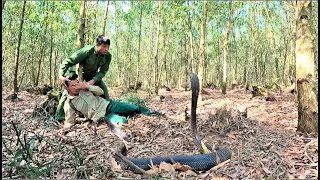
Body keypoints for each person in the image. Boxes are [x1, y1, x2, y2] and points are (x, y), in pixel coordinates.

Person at [62, 74, 163, 130]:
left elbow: (100, 91)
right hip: (102, 116)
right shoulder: (69, 104)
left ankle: (152, 113)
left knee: (134, 107)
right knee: (123, 122)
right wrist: (66, 129)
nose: (76, 86)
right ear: (67, 88)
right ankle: (126, 115)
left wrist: (87, 86)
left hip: (108, 104)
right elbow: (69, 121)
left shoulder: (84, 88)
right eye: (73, 85)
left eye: (77, 83)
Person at [55, 35, 112, 121]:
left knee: (104, 92)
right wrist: (61, 76)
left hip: (92, 75)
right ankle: (60, 117)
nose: (106, 49)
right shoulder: (87, 51)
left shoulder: (108, 56)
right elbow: (68, 61)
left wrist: (91, 82)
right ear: (97, 45)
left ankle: (108, 112)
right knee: (68, 92)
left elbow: (103, 71)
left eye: (108, 47)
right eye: (104, 46)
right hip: (78, 73)